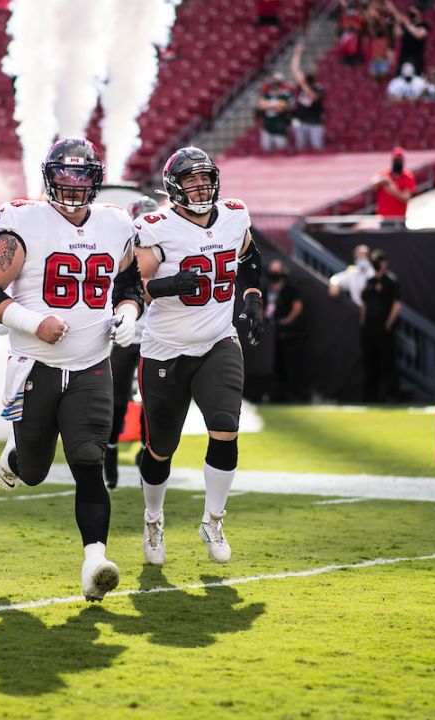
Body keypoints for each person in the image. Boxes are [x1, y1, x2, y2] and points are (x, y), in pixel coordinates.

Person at [0, 137, 144, 602]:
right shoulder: (24, 222)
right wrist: (33, 321)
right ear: (49, 178)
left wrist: (128, 315)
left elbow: (130, 284)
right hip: (35, 365)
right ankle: (15, 453)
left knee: (90, 460)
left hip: (91, 364)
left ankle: (94, 562)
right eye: (64, 176)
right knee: (34, 472)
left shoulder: (115, 223)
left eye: (82, 176)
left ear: (96, 180)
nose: (72, 185)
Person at [132, 146, 265, 567]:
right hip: (165, 349)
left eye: (205, 177)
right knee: (160, 449)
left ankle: (213, 519)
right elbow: (135, 287)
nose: (200, 185)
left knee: (225, 427)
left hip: (217, 341)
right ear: (174, 186)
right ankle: (153, 518)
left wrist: (253, 298)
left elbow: (249, 255)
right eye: (190, 179)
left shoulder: (234, 214)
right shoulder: (156, 226)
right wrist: (171, 285)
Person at [103, 194, 164, 490]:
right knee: (115, 401)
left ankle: (145, 452)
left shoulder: (167, 252)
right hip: (125, 337)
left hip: (155, 338)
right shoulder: (120, 252)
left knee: (151, 400)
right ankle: (110, 451)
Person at [360, 249, 401, 402]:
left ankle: (391, 395)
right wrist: (363, 324)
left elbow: (397, 304)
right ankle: (370, 396)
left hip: (384, 328)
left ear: (385, 263)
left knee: (388, 362)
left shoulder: (391, 281)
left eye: (379, 261)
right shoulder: (369, 282)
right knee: (370, 362)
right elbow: (364, 304)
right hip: (369, 329)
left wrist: (389, 323)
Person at [264, 259, 307, 402]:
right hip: (271, 333)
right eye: (272, 270)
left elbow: (297, 306)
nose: (274, 273)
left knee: (291, 365)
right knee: (276, 366)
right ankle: (276, 396)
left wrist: (287, 320)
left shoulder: (290, 288)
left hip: (289, 333)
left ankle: (293, 395)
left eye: (277, 270)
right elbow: (260, 306)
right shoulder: (267, 288)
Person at [289, 42, 326, 152]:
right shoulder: (303, 83)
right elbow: (294, 70)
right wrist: (297, 54)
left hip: (315, 122)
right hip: (301, 121)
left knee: (316, 148)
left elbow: (313, 97)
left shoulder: (319, 88)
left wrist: (304, 85)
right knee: (300, 148)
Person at [374, 147, 415, 228]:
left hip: (399, 219)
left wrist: (392, 187)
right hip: (384, 219)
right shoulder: (384, 174)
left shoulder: (408, 177)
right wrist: (381, 182)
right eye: (396, 159)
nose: (397, 162)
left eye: (399, 160)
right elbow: (373, 183)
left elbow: (406, 197)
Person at [386, 2, 430, 77]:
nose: (411, 14)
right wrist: (398, 22)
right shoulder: (406, 25)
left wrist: (408, 24)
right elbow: (398, 34)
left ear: (420, 13)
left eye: (414, 12)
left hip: (416, 58)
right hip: (404, 57)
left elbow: (419, 35)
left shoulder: (424, 26)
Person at [257, 73, 292, 154]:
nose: (274, 91)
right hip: (267, 127)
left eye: (276, 89)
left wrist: (268, 105)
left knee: (281, 151)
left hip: (280, 128)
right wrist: (275, 105)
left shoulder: (284, 95)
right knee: (266, 151)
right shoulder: (266, 95)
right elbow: (260, 106)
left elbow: (281, 109)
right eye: (273, 89)